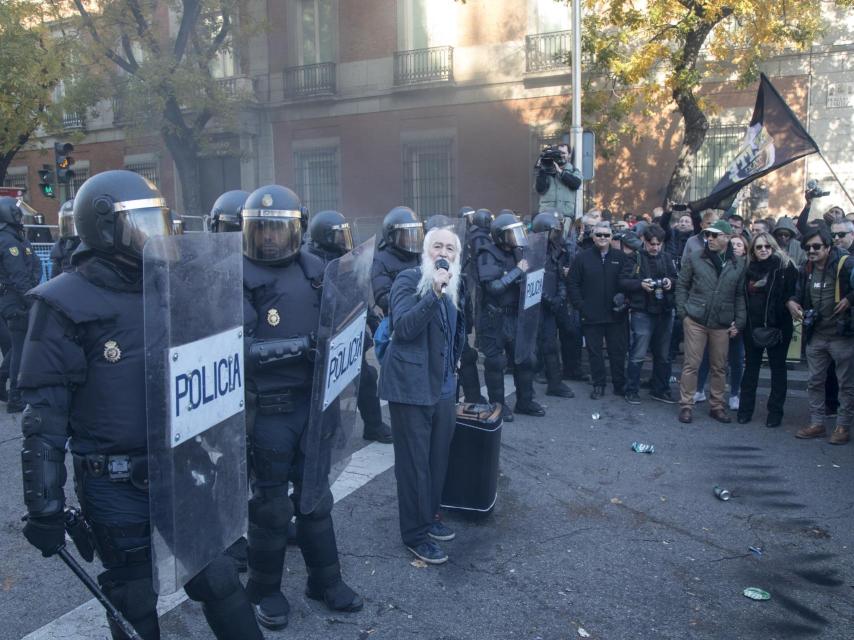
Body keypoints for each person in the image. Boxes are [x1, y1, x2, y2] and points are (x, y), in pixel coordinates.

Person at [17, 171, 263, 640]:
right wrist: (44, 505)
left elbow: (214, 373)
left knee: (219, 578)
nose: (154, 236)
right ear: (104, 227)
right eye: (140, 224)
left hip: (184, 466)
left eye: (159, 222)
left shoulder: (177, 287)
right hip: (114, 480)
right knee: (132, 599)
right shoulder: (63, 304)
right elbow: (43, 418)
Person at [242, 186, 363, 629]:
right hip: (268, 410)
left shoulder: (317, 270)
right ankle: (264, 588)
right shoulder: (239, 274)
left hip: (313, 404)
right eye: (261, 229)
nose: (270, 239)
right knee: (271, 506)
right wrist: (304, 347)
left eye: (278, 230)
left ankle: (324, 580)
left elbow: (345, 318)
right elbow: (236, 350)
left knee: (315, 498)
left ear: (296, 229)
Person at [378, 227, 465, 565]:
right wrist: (434, 292)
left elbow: (454, 330)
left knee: (437, 460)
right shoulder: (409, 280)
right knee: (414, 465)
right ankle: (414, 534)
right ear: (425, 252)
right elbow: (404, 327)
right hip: (410, 387)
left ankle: (428, 517)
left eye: (450, 248)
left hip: (442, 387)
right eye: (437, 247)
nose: (443, 253)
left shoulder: (455, 284)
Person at [305, 210, 392, 443]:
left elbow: (358, 295)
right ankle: (331, 431)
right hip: (325, 336)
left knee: (366, 378)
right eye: (338, 236)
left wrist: (373, 320)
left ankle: (373, 425)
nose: (344, 241)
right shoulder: (311, 263)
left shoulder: (346, 260)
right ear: (324, 236)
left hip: (349, 333)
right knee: (327, 390)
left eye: (345, 234)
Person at [786, 224, 854, 445]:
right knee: (815, 381)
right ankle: (817, 424)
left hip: (842, 335)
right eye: (808, 247)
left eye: (816, 246)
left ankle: (842, 427)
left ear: (828, 246)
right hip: (816, 335)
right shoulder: (806, 268)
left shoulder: (845, 264)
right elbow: (795, 294)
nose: (812, 251)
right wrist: (792, 303)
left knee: (846, 384)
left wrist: (849, 299)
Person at [675, 219, 746, 424]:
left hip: (721, 322)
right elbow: (682, 285)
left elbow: (740, 295)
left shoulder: (738, 263)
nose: (710, 239)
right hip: (695, 318)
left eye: (715, 235)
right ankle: (686, 405)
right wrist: (683, 313)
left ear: (727, 238)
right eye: (707, 235)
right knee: (691, 364)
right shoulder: (696, 257)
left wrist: (739, 321)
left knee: (719, 367)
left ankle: (717, 406)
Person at [477, 212, 544, 420]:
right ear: (499, 236)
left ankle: (525, 401)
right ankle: (498, 405)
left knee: (525, 359)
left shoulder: (519, 252)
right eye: (510, 234)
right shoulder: (486, 254)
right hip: (494, 318)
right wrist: (517, 271)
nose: (515, 238)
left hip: (517, 315)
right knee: (496, 363)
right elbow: (494, 287)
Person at [737, 233, 798, 427]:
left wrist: (791, 302)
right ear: (753, 250)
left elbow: (794, 292)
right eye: (759, 247)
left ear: (773, 247)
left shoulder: (785, 267)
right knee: (751, 370)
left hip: (778, 326)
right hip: (752, 325)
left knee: (778, 370)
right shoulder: (746, 269)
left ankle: (775, 413)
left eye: (767, 246)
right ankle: (745, 411)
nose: (763, 249)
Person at [567, 221, 628, 399]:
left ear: (611, 237)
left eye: (606, 235)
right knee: (594, 353)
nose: (602, 238)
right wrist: (581, 306)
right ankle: (598, 385)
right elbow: (572, 283)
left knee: (617, 352)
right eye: (599, 235)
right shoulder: (582, 258)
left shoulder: (621, 257)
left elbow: (628, 281)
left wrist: (624, 302)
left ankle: (619, 385)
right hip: (591, 315)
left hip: (616, 315)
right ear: (593, 237)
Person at [619, 224, 678, 404]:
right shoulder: (634, 258)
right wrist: (640, 285)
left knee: (663, 354)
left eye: (658, 244)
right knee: (638, 352)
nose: (655, 247)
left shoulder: (667, 258)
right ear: (644, 240)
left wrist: (669, 282)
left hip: (664, 310)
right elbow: (622, 281)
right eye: (652, 244)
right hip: (642, 311)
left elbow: (677, 278)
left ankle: (660, 389)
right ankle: (632, 389)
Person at [0, 197, 42, 412]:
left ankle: (11, 389)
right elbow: (18, 275)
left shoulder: (16, 238)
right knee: (19, 348)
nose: (20, 216)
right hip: (15, 301)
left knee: (19, 346)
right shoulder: (8, 242)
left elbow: (34, 263)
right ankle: (16, 397)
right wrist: (30, 298)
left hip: (19, 298)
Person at [532, 212, 575, 398]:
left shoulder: (555, 250)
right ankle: (526, 390)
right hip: (535, 308)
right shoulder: (532, 251)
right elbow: (531, 282)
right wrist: (550, 300)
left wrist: (560, 297)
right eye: (554, 232)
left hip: (551, 307)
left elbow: (559, 277)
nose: (557, 235)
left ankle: (555, 383)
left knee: (551, 345)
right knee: (531, 348)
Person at [371, 207, 424, 322]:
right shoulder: (381, 261)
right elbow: (383, 298)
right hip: (396, 321)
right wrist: (417, 299)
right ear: (392, 236)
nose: (413, 240)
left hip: (423, 315)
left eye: (415, 235)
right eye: (408, 235)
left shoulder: (420, 256)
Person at [535, 143, 583, 221]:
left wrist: (560, 171)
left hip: (565, 217)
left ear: (569, 155)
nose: (561, 155)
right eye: (559, 153)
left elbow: (576, 184)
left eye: (564, 153)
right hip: (546, 216)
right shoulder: (545, 169)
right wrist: (542, 171)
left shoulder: (574, 171)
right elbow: (540, 189)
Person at [49, 199, 80, 278]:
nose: (70, 225)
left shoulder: (89, 244)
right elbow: (54, 277)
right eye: (67, 221)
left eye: (72, 221)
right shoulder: (60, 247)